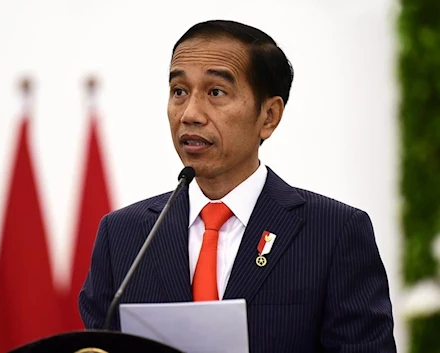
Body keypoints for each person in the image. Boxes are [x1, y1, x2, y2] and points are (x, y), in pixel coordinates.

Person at [78, 20, 396, 352]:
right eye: (179, 92)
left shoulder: (333, 232)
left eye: (216, 92)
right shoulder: (123, 236)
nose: (190, 114)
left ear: (269, 116)